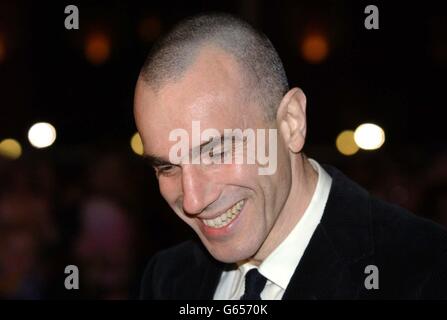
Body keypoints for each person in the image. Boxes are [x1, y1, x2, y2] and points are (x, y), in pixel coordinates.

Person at [133, 13, 447, 299]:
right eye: (167, 166)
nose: (192, 200)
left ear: (291, 122)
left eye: (215, 152)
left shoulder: (425, 273)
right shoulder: (166, 280)